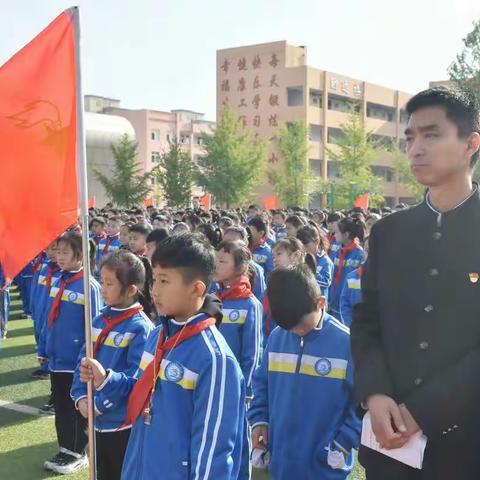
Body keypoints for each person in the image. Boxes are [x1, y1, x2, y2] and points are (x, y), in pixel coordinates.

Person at [351, 87, 480, 480]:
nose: (416, 149)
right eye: (410, 138)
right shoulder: (390, 232)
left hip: (466, 447)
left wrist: (425, 408)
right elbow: (367, 320)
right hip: (391, 448)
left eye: (432, 135)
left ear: (470, 144)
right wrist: (374, 393)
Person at [80, 234, 245, 479]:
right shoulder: (158, 335)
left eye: (165, 281)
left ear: (196, 289)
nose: (154, 290)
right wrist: (106, 379)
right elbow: (141, 389)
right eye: (155, 279)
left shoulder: (214, 359)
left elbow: (213, 453)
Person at [249, 265, 361, 480]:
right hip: (279, 464)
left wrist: (343, 442)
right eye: (288, 327)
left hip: (324, 468)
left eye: (300, 325)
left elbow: (361, 403)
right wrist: (259, 420)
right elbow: (261, 385)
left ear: (321, 303)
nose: (295, 332)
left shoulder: (346, 344)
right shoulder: (277, 338)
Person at [72, 250, 153, 480]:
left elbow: (138, 380)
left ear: (130, 290)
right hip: (96, 421)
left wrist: (100, 403)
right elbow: (82, 361)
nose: (102, 288)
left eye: (109, 283)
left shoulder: (141, 327)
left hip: (122, 424)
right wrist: (80, 398)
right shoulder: (98, 320)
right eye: (101, 281)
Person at [40, 232, 103, 475]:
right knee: (61, 406)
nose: (59, 257)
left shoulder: (89, 286)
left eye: (65, 252)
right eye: (58, 252)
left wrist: (85, 357)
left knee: (75, 406)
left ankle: (78, 451)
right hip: (57, 358)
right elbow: (50, 315)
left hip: (75, 361)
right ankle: (66, 447)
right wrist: (46, 345)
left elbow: (94, 326)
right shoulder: (59, 280)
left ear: (81, 255)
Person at [214, 240, 263, 480]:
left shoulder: (249, 304)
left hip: (237, 389)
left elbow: (252, 354)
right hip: (213, 382)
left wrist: (246, 392)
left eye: (223, 261)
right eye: (216, 259)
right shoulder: (212, 300)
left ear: (240, 266)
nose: (216, 265)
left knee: (237, 440)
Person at [329, 218, 365, 317]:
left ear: (346, 234)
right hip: (335, 301)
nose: (334, 235)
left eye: (336, 232)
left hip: (350, 306)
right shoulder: (338, 251)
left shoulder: (360, 254)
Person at [297, 225, 334, 303]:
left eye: (306, 245)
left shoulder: (325, 261)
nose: (304, 249)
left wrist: (311, 270)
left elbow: (326, 282)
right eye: (301, 246)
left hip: (318, 304)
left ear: (316, 242)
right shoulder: (300, 258)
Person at [339, 237, 369, 328]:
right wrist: (351, 328)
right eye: (367, 250)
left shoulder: (389, 278)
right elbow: (345, 305)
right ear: (363, 251)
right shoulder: (352, 277)